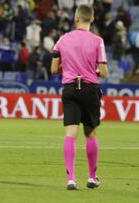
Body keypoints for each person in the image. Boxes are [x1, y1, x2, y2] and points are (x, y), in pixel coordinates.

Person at [51, 4, 109, 190]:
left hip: (69, 88)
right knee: (90, 133)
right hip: (89, 89)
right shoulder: (97, 40)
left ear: (76, 18)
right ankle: (92, 177)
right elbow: (104, 71)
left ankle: (71, 179)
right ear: (91, 19)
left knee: (70, 134)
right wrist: (91, 70)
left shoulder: (62, 40)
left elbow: (53, 69)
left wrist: (66, 68)